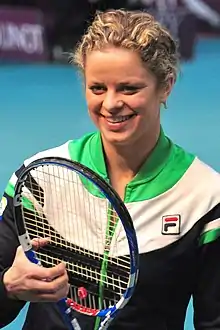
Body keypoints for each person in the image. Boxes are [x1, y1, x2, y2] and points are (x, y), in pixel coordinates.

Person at [0, 8, 220, 330]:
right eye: (97, 88)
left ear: (166, 86)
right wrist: (8, 286)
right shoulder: (39, 179)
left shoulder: (205, 198)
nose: (111, 104)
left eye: (129, 89)